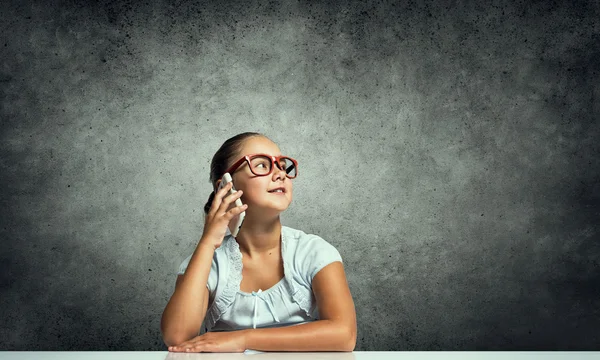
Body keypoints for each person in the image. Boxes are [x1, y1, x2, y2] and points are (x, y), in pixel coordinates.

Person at [160, 132, 356, 353]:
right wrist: (207, 243)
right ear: (225, 186)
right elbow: (176, 336)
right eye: (262, 165)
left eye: (282, 165)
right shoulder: (208, 262)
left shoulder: (314, 252)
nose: (280, 174)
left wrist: (243, 339)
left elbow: (344, 334)